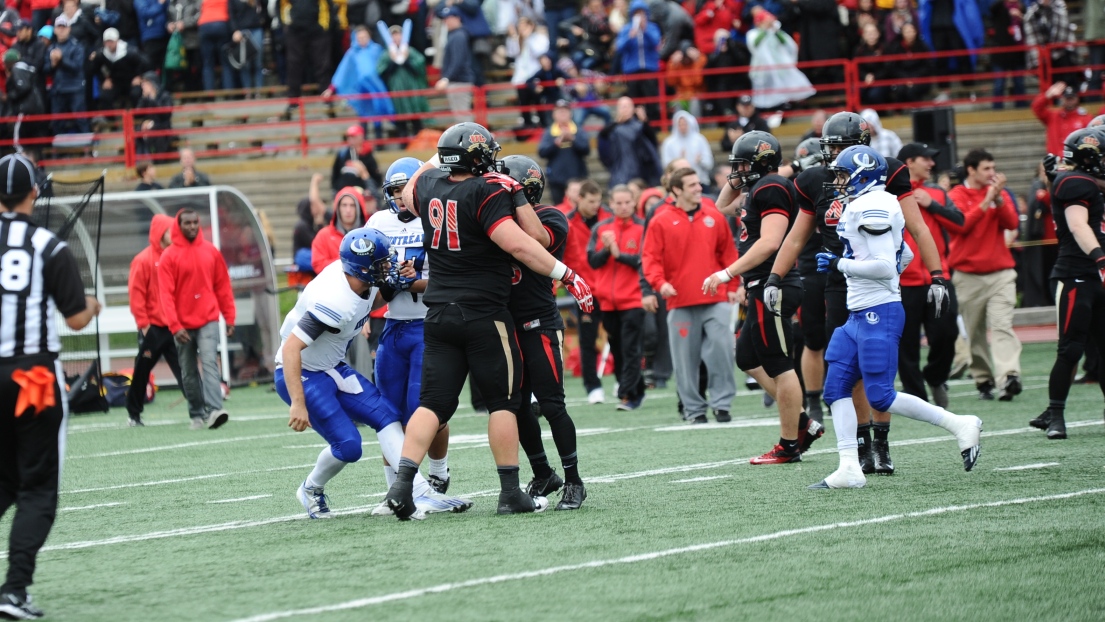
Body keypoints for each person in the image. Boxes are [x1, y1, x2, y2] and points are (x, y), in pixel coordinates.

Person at [381, 122, 594, 520]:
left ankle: (402, 485)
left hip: (438, 311)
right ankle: (511, 491)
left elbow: (410, 188)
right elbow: (519, 244)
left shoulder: (426, 187)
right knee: (503, 403)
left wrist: (441, 151)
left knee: (432, 403)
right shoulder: (488, 190)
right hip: (484, 314)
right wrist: (566, 274)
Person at [808, 145, 982, 489]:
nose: (839, 182)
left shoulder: (873, 205)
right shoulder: (874, 202)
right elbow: (905, 255)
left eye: (844, 175)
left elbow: (887, 267)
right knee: (836, 386)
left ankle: (961, 424)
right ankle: (849, 468)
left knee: (881, 396)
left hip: (879, 312)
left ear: (862, 175)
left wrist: (841, 264)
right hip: (860, 312)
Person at [277, 228, 472, 520]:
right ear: (363, 268)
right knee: (349, 446)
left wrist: (393, 283)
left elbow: (372, 301)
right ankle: (310, 489)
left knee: (387, 414)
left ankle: (417, 490)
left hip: (330, 367)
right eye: (382, 264)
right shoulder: (334, 300)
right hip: (302, 373)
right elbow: (292, 348)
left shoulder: (359, 282)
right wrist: (298, 402)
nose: (388, 267)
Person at [0, 153, 101, 621]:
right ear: (34, 192)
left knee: (3, 482)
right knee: (38, 487)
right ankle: (13, 589)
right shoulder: (48, 246)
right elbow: (76, 317)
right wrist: (96, 305)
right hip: (33, 377)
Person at [705, 132, 822, 457]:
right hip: (760, 286)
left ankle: (789, 444)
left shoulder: (771, 187)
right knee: (747, 358)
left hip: (774, 286)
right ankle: (802, 421)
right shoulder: (758, 187)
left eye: (742, 164)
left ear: (760, 164)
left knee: (780, 364)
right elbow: (722, 204)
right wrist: (741, 176)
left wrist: (727, 272)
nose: (737, 171)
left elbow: (771, 241)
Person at [499, 155, 587, 510]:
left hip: (539, 323)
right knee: (515, 406)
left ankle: (574, 480)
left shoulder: (551, 217)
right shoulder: (495, 221)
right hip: (506, 326)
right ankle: (543, 472)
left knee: (551, 404)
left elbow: (533, 239)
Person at [366, 158, 455, 502]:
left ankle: (437, 474)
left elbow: (450, 280)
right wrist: (386, 280)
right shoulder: (378, 222)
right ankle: (395, 488)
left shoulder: (436, 216)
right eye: (396, 191)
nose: (402, 198)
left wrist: (414, 282)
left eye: (407, 190)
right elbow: (369, 276)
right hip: (392, 325)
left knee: (426, 410)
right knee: (388, 414)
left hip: (429, 325)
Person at [1030, 130, 1105, 439]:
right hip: (1077, 273)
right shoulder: (1075, 183)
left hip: (1093, 274)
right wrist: (1100, 258)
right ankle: (1056, 414)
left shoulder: (1075, 180)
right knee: (1071, 348)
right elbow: (1077, 224)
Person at [945, 149, 1022, 401]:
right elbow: (962, 225)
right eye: (987, 169)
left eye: (993, 168)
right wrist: (988, 199)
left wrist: (997, 200)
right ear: (971, 170)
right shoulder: (956, 195)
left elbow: (1011, 223)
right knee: (974, 332)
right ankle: (984, 379)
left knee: (1002, 326)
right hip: (968, 275)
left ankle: (1009, 376)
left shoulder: (998, 194)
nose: (993, 174)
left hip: (1001, 273)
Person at [896, 143, 962, 407]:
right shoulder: (888, 194)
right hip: (902, 281)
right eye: (926, 159)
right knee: (906, 344)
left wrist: (933, 204)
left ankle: (935, 377)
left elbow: (960, 223)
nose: (932, 164)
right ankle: (917, 399)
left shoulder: (936, 192)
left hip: (937, 276)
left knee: (947, 333)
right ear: (909, 162)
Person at [158, 209, 235, 430]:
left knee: (210, 361)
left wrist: (229, 317)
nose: (192, 226)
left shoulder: (211, 252)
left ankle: (215, 410)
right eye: (187, 223)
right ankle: (196, 413)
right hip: (181, 324)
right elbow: (166, 295)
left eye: (195, 223)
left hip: (208, 319)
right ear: (178, 226)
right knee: (189, 371)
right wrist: (174, 325)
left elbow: (222, 287)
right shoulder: (169, 256)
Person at [588, 184, 646, 410]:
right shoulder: (601, 229)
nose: (623, 207)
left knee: (631, 347)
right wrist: (606, 249)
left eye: (627, 202)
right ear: (610, 204)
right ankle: (636, 390)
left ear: (634, 203)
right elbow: (592, 261)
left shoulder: (643, 228)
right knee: (618, 347)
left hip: (633, 299)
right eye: (618, 203)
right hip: (608, 302)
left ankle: (627, 394)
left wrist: (619, 255)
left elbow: (644, 260)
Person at [125, 213, 185, 426]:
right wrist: (144, 325)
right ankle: (133, 414)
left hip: (174, 326)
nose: (175, 234)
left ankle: (199, 408)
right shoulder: (142, 260)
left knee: (185, 369)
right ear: (161, 233)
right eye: (171, 231)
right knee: (142, 370)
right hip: (154, 329)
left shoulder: (175, 256)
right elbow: (136, 294)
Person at [311, 186, 373, 378]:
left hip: (367, 306)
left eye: (351, 205)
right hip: (334, 307)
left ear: (358, 208)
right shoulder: (323, 236)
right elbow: (318, 265)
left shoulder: (370, 235)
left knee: (366, 367)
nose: (347, 210)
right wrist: (352, 266)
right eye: (343, 205)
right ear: (337, 209)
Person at [563, 179, 611, 403]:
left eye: (598, 201)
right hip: (585, 290)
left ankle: (625, 382)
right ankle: (593, 386)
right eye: (591, 201)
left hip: (610, 287)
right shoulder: (568, 222)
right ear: (579, 199)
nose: (595, 206)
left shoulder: (608, 218)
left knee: (619, 336)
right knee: (587, 339)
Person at [376, 23, 429, 141]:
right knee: (401, 121)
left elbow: (420, 66)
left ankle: (419, 142)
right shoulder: (386, 54)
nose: (396, 38)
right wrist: (393, 61)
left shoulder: (410, 51)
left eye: (398, 35)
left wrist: (406, 61)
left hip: (412, 90)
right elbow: (381, 72)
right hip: (396, 90)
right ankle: (403, 144)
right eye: (393, 36)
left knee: (416, 120)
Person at [598, 96, 661, 188]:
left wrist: (645, 122)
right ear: (617, 109)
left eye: (627, 106)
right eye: (622, 107)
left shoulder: (641, 127)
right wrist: (616, 123)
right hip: (619, 174)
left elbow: (652, 144)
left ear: (633, 109)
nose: (625, 109)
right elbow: (603, 147)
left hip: (640, 174)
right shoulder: (611, 130)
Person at [614, 0, 660, 121]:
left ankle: (654, 126)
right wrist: (630, 36)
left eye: (642, 13)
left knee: (652, 99)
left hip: (649, 69)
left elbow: (656, 43)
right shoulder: (626, 29)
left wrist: (645, 30)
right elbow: (619, 47)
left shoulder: (652, 27)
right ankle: (634, 125)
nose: (639, 16)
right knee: (634, 100)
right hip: (632, 70)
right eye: (636, 13)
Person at [538, 100, 590, 205]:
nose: (562, 114)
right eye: (559, 111)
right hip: (556, 180)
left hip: (578, 179)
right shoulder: (549, 132)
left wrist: (573, 139)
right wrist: (556, 143)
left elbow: (586, 150)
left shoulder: (578, 130)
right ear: (554, 114)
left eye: (565, 111)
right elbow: (542, 152)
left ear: (570, 113)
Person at [47, 14, 90, 135]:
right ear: (55, 30)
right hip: (58, 89)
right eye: (59, 27)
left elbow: (77, 67)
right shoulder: (51, 48)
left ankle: (88, 149)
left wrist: (61, 60)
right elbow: (45, 69)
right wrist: (53, 65)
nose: (61, 30)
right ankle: (57, 153)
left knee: (81, 119)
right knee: (57, 122)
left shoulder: (77, 46)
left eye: (64, 27)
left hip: (75, 88)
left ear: (69, 29)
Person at [88, 27, 148, 111]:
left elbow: (145, 63)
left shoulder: (130, 52)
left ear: (117, 40)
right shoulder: (101, 54)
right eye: (107, 42)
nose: (109, 44)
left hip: (131, 81)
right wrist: (104, 79)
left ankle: (138, 117)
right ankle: (111, 120)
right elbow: (95, 69)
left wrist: (139, 76)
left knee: (136, 94)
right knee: (105, 96)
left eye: (111, 41)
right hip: (115, 82)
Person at [434, 6, 474, 123]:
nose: (447, 21)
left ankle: (471, 140)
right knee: (460, 116)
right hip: (457, 81)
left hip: (459, 81)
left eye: (449, 18)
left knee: (462, 116)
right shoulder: (455, 35)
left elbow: (458, 60)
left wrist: (446, 78)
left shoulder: (458, 36)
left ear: (457, 18)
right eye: (445, 19)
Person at [1032, 82, 1091, 159]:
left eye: (1071, 98)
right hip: (1055, 162)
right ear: (1062, 99)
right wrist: (1047, 95)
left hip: (1077, 162)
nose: (1069, 101)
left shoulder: (1086, 118)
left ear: (1077, 99)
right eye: (1067, 98)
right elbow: (1036, 107)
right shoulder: (1053, 116)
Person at [660, 110, 714, 190]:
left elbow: (709, 163)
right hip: (679, 184)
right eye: (680, 124)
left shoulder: (700, 140)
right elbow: (666, 165)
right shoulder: (669, 143)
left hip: (700, 181)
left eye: (685, 124)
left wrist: (700, 160)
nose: (683, 127)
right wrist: (679, 161)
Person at [134, 71, 174, 155]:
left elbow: (165, 115)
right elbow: (137, 114)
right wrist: (143, 99)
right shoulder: (144, 98)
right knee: (136, 133)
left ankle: (158, 161)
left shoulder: (165, 96)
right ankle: (140, 160)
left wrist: (152, 99)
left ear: (152, 84)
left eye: (145, 84)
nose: (143, 86)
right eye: (142, 84)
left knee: (157, 136)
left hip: (162, 127)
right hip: (147, 126)